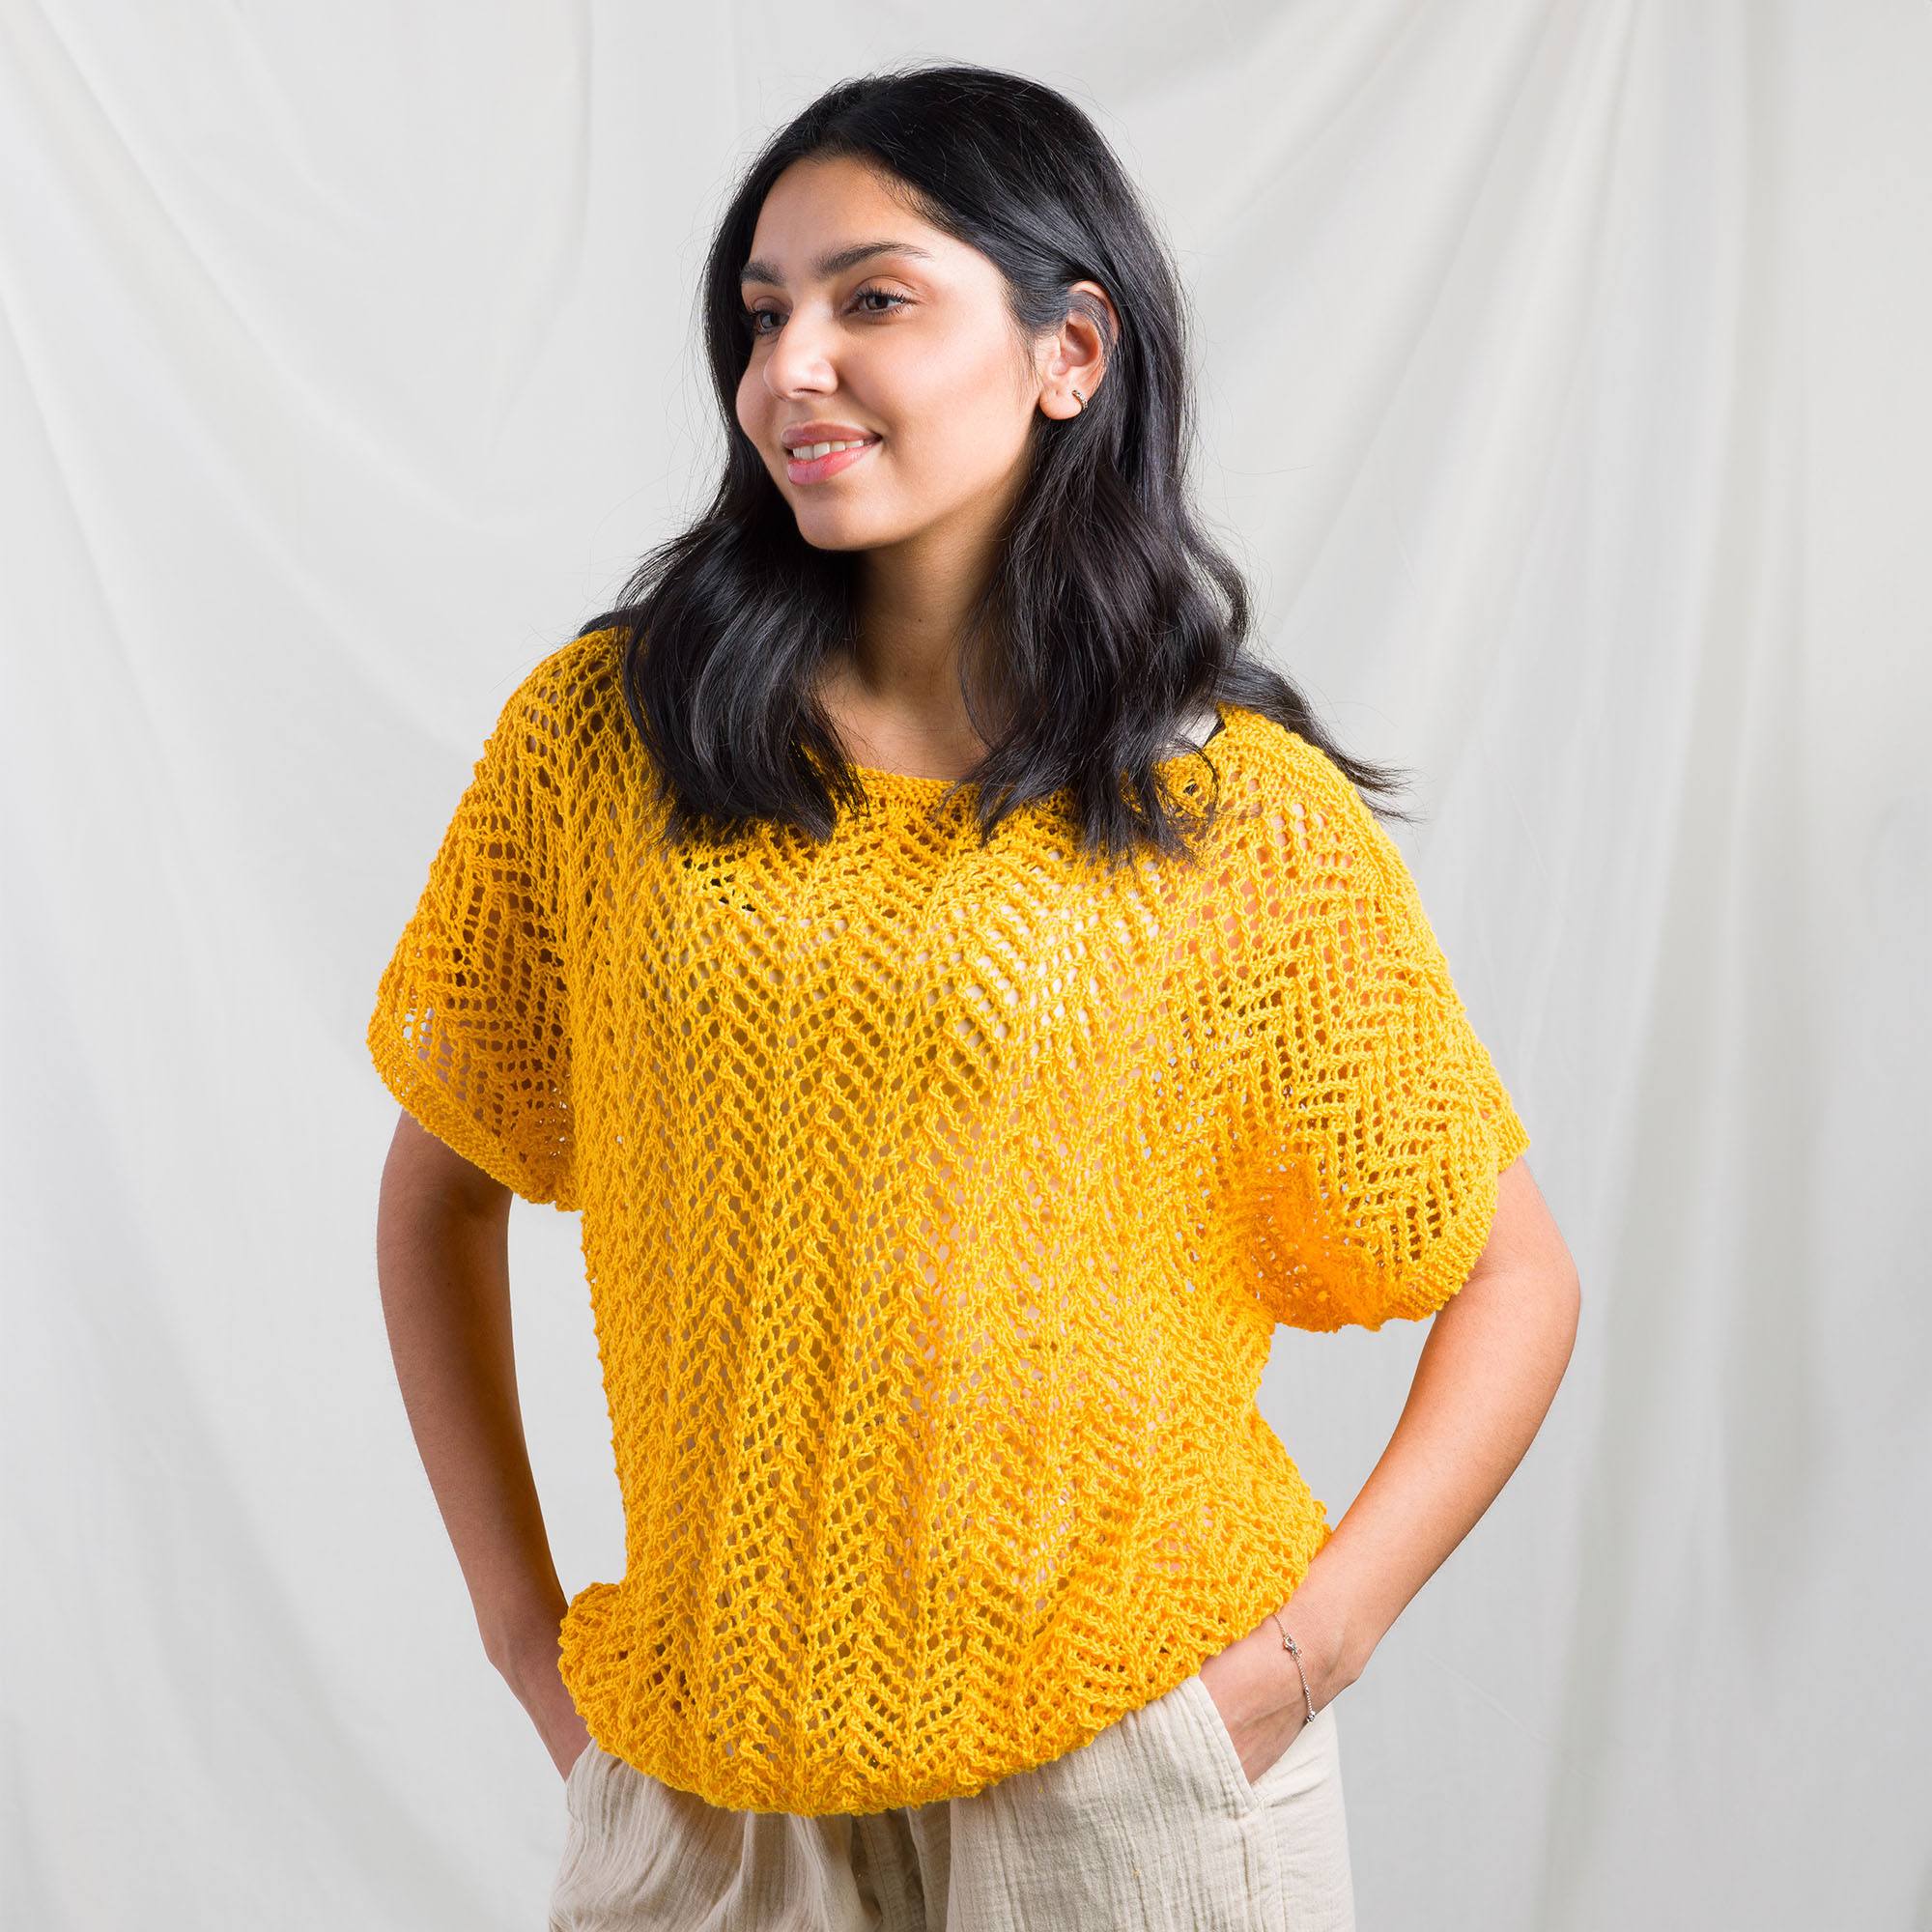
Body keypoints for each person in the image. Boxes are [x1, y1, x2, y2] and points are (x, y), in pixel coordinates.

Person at [366, 59, 1581, 1932]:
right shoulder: (605, 743)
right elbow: (441, 1185)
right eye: (762, 314)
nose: (791, 368)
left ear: (1067, 349)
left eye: (873, 298)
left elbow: (1514, 1275)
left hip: (1124, 1776)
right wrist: (527, 1645)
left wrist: (1300, 1658)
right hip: (710, 1784)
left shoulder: (1228, 815)